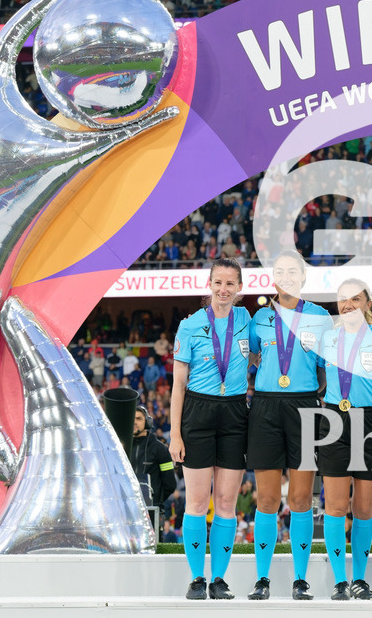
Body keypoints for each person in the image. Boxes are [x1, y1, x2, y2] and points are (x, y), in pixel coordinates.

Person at [247, 250, 332, 600]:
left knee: (300, 499)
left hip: (305, 407)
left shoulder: (320, 316)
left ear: (303, 278)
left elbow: (327, 365)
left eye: (292, 272)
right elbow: (252, 355)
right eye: (280, 271)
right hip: (265, 407)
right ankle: (262, 580)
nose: (286, 277)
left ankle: (300, 579)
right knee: (266, 498)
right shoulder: (259, 318)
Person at [168, 257, 252, 600]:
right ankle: (196, 579)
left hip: (235, 413)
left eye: (230, 283)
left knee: (227, 501)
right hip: (198, 413)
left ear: (240, 289)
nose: (224, 289)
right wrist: (175, 433)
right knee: (198, 501)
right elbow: (178, 386)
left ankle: (219, 578)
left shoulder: (247, 320)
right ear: (210, 285)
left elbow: (265, 353)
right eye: (218, 282)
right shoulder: (189, 326)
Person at [318, 278, 372, 600]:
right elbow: (319, 377)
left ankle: (360, 579)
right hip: (334, 419)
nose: (347, 305)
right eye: (342, 300)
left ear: (367, 303)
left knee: (364, 509)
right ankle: (340, 581)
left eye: (355, 299)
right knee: (335, 507)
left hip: (371, 422)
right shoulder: (328, 338)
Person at [130, 405, 177, 535]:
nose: (134, 422)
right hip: (127, 512)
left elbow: (170, 484)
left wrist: (155, 501)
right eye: (132, 418)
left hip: (152, 513)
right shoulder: (120, 448)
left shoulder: (160, 449)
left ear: (148, 422)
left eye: (139, 419)